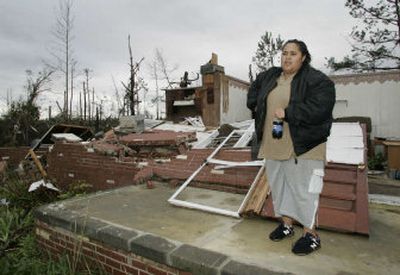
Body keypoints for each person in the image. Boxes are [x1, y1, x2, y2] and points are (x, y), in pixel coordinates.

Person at [247, 39, 335, 255]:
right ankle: (287, 224)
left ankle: (311, 234)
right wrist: (254, 103)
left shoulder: (317, 80)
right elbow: (255, 87)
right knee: (279, 187)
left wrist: (289, 112)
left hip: (303, 146)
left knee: (304, 191)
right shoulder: (271, 75)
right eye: (284, 53)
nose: (287, 57)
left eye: (293, 53)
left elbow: (321, 108)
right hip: (274, 143)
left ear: (303, 57)